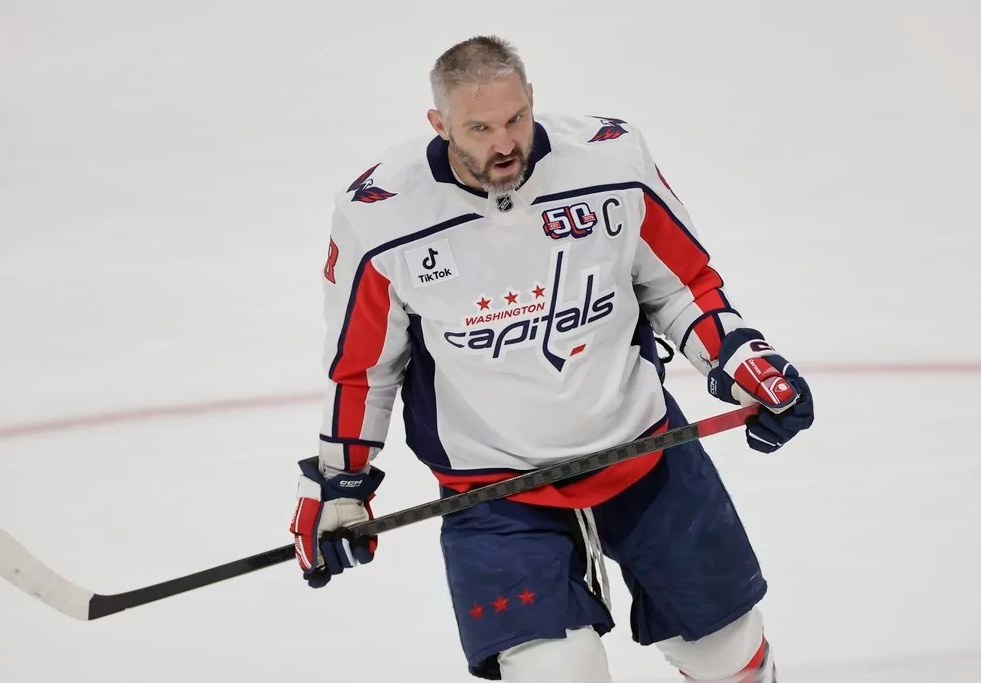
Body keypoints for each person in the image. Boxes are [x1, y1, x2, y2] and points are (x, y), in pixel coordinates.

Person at [288, 35, 814, 683]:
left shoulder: (611, 161)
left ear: (532, 98)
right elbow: (363, 369)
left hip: (640, 449)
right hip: (494, 489)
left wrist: (741, 359)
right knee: (555, 672)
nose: (504, 142)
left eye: (514, 118)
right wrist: (340, 483)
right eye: (479, 127)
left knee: (729, 653)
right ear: (439, 124)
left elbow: (680, 287)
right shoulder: (382, 217)